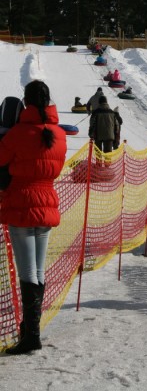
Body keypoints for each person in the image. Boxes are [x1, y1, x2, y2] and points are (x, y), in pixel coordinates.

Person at [0, 80, 67, 354]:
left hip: (22, 204)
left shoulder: (16, 133)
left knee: (27, 272)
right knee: (38, 271)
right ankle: (31, 331)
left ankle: (31, 336)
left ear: (25, 103)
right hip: (48, 203)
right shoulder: (59, 134)